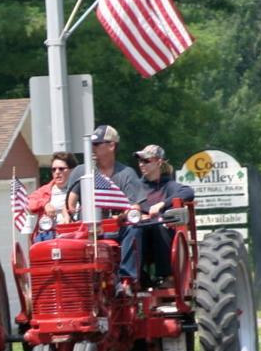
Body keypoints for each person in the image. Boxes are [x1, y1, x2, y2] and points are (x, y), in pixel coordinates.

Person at [64, 125, 146, 296]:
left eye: (97, 144)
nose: (92, 148)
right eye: (91, 144)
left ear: (112, 145)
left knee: (134, 228)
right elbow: (69, 201)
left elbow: (134, 206)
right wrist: (68, 214)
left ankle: (126, 280)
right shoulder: (81, 171)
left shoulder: (126, 173)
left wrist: (122, 216)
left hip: (115, 229)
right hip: (85, 229)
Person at [135, 144, 195, 285]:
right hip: (141, 234)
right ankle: (136, 277)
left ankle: (167, 276)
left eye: (146, 161)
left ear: (159, 162)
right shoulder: (135, 185)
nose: (141, 164)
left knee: (157, 225)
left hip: (163, 236)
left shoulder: (169, 185)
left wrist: (162, 204)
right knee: (130, 230)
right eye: (140, 161)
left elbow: (188, 192)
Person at [28, 151, 76, 241]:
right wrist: (45, 204)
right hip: (51, 237)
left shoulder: (81, 189)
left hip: (75, 235)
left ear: (72, 170)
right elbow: (29, 202)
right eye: (54, 169)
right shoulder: (45, 190)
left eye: (61, 169)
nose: (57, 172)